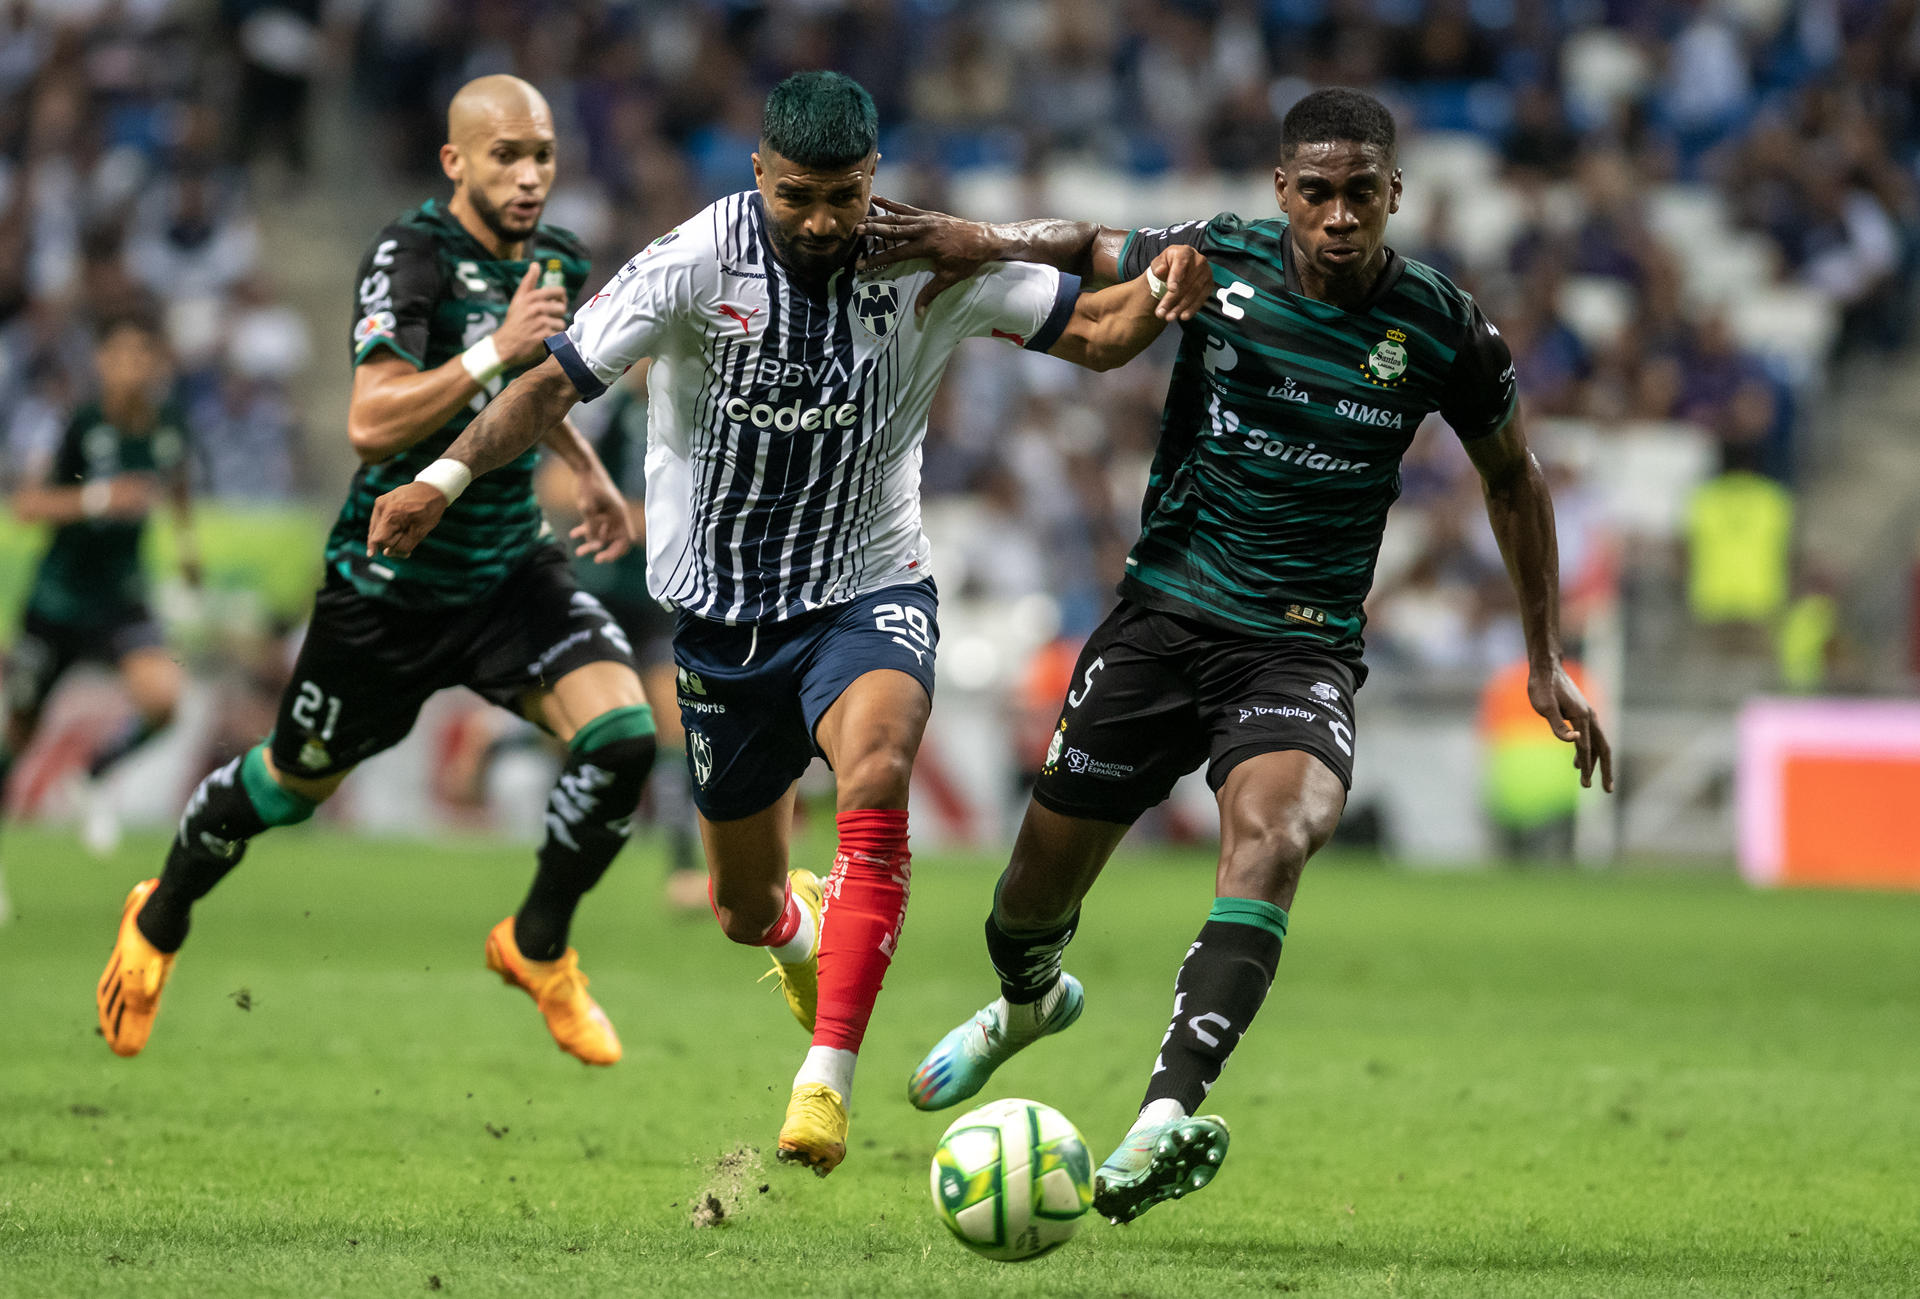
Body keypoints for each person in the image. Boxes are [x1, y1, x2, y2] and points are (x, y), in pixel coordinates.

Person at [366, 70, 1210, 1175]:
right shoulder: (691, 263)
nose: (822, 222)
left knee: (876, 770)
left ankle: (827, 1078)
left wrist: (1170, 283)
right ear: (760, 174)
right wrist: (442, 475)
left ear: (874, 182)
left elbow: (1101, 335)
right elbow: (555, 383)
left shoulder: (928, 258)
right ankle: (802, 933)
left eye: (844, 197)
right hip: (722, 624)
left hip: (869, 587)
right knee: (743, 904)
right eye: (798, 197)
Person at [860, 86, 1615, 1223]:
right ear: (1283, 193)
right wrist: (981, 240)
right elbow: (1083, 241)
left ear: (1395, 194)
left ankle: (1161, 1116)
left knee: (1280, 835)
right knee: (1026, 901)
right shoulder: (1218, 259)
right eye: (1318, 192)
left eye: (1363, 193)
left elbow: (1515, 476)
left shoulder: (1444, 330)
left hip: (1298, 650)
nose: (1341, 215)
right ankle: (1025, 1002)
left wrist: (1544, 655)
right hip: (1161, 623)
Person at [96, 75, 656, 1068]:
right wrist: (494, 347)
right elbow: (370, 420)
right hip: (387, 590)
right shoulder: (411, 257)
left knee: (621, 737)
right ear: (456, 162)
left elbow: (540, 388)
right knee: (290, 784)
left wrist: (591, 474)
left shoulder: (559, 258)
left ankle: (537, 945)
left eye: (543, 156)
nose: (530, 178)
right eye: (505, 157)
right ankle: (161, 913)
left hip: (507, 572)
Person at [2, 313, 197, 858]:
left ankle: (94, 774)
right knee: (18, 734)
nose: (134, 368)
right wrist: (98, 499)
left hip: (120, 599)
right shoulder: (74, 424)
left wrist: (187, 550)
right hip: (56, 601)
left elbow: (178, 486)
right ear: (101, 362)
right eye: (123, 356)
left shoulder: (169, 427)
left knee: (163, 700)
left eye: (144, 356)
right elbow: (26, 505)